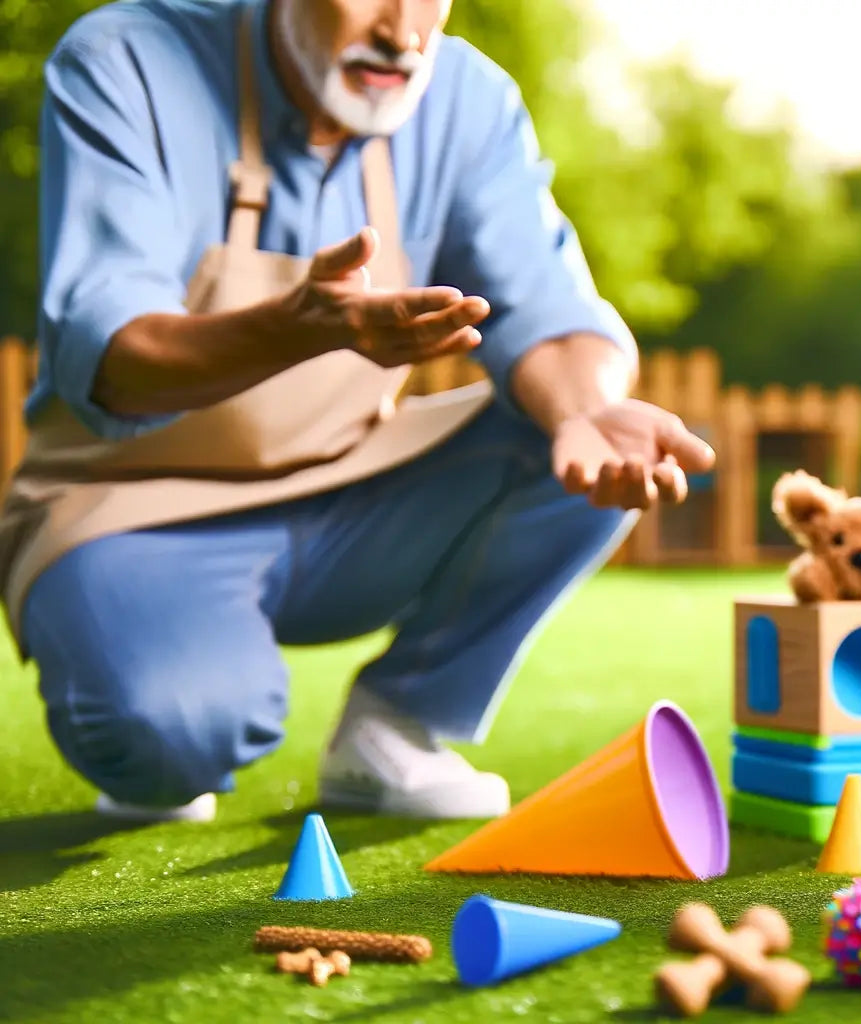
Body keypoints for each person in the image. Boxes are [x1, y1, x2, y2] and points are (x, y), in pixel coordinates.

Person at [1, 0, 715, 824]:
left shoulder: (467, 102)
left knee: (567, 442)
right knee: (169, 739)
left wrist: (587, 411)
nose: (403, 30)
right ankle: (171, 718)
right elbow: (112, 358)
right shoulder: (126, 60)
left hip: (352, 496)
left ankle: (395, 727)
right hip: (129, 507)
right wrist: (288, 329)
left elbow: (552, 317)